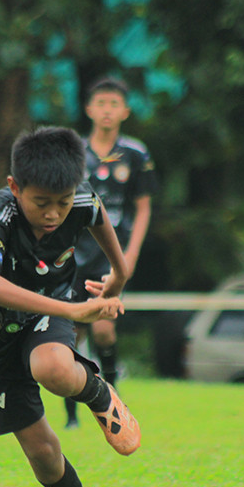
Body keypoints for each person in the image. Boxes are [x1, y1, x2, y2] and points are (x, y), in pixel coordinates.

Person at [0, 126, 141, 487]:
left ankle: (98, 393)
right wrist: (74, 310)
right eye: (41, 203)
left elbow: (98, 218)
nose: (54, 213)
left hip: (47, 308)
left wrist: (119, 276)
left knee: (53, 366)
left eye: (63, 202)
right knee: (41, 450)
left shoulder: (80, 197)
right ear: (15, 187)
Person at [64, 77, 157, 429]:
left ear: (125, 111)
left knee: (103, 330)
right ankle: (72, 416)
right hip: (74, 254)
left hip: (111, 255)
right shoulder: (75, 151)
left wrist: (129, 256)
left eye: (114, 104)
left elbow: (143, 207)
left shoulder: (135, 154)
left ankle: (113, 405)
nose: (107, 110)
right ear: (89, 109)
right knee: (72, 334)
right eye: (100, 103)